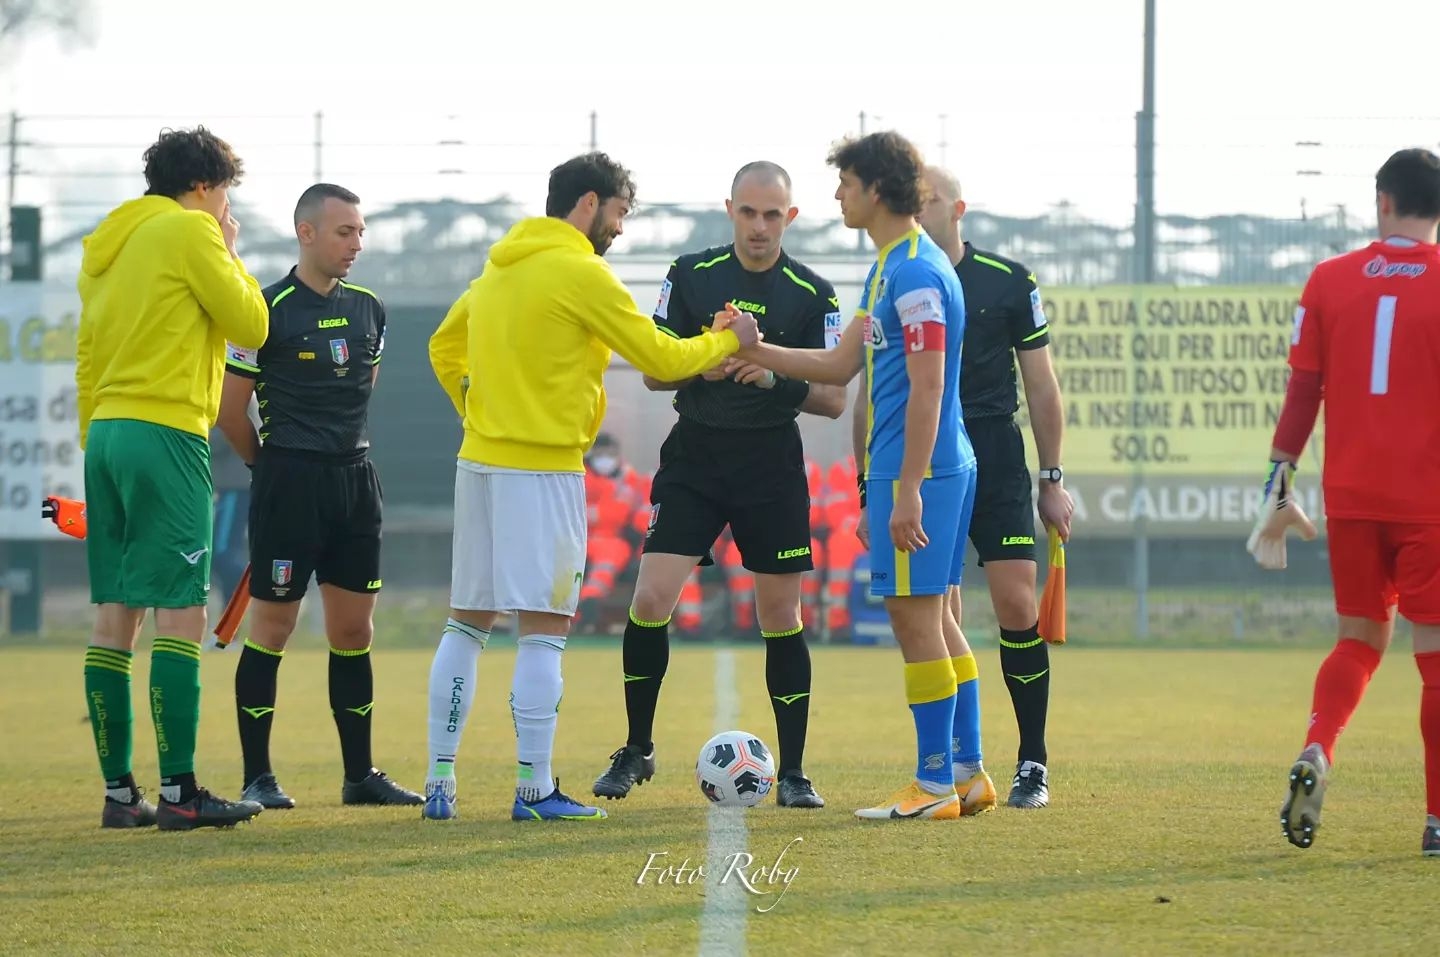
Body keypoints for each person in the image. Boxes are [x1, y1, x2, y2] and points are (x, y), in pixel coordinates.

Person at [421, 151, 760, 822]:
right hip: (543, 469)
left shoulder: (498, 267)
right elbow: (659, 355)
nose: (620, 227)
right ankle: (534, 789)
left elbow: (442, 347)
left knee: (467, 621)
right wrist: (726, 341)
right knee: (544, 629)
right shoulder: (581, 272)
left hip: (478, 462)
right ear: (587, 204)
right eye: (619, 212)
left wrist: (477, 409)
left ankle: (439, 782)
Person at [730, 130, 985, 820]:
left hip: (920, 470)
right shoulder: (892, 266)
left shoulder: (916, 274)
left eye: (845, 183)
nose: (838, 194)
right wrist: (758, 349)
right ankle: (967, 772)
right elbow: (842, 365)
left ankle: (934, 785)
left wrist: (907, 489)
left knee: (915, 621)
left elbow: (928, 387)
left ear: (875, 188)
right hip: (930, 466)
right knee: (937, 619)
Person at [590, 160, 846, 810]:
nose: (759, 226)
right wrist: (701, 361)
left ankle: (794, 772)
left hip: (770, 466)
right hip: (696, 458)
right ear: (730, 210)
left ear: (790, 217)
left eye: (772, 215)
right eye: (748, 212)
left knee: (780, 616)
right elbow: (654, 372)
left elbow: (833, 399)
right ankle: (637, 747)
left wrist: (771, 379)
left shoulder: (813, 293)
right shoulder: (691, 273)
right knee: (650, 597)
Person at [76, 126, 269, 830]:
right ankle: (182, 791)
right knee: (181, 612)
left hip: (106, 435)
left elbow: (87, 355)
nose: (225, 208)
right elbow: (253, 322)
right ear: (203, 186)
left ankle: (121, 794)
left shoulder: (109, 245)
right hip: (166, 432)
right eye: (224, 195)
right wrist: (230, 248)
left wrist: (96, 440)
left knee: (115, 615)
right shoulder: (193, 231)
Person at [1255, 147, 1440, 857]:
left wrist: (1280, 475)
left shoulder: (1330, 279)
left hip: (1354, 495)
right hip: (1430, 498)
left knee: (1358, 639)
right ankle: (1436, 821)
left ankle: (1319, 745)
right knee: (1434, 657)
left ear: (1383, 201)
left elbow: (1304, 388)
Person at [218, 183, 422, 809]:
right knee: (273, 626)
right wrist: (269, 468)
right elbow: (230, 412)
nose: (356, 243)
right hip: (289, 484)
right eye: (344, 232)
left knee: (354, 631)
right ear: (305, 233)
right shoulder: (264, 309)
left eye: (360, 231)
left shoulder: (370, 308)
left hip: (355, 482)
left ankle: (360, 776)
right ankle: (258, 777)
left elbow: (361, 391)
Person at [916, 166, 1075, 808]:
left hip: (995, 450)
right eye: (910, 200)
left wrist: (1052, 479)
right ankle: (955, 764)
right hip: (930, 455)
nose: (918, 209)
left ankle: (1032, 762)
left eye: (928, 199)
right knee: (939, 611)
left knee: (1015, 604)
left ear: (958, 209)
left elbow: (1041, 385)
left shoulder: (1008, 281)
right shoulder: (901, 278)